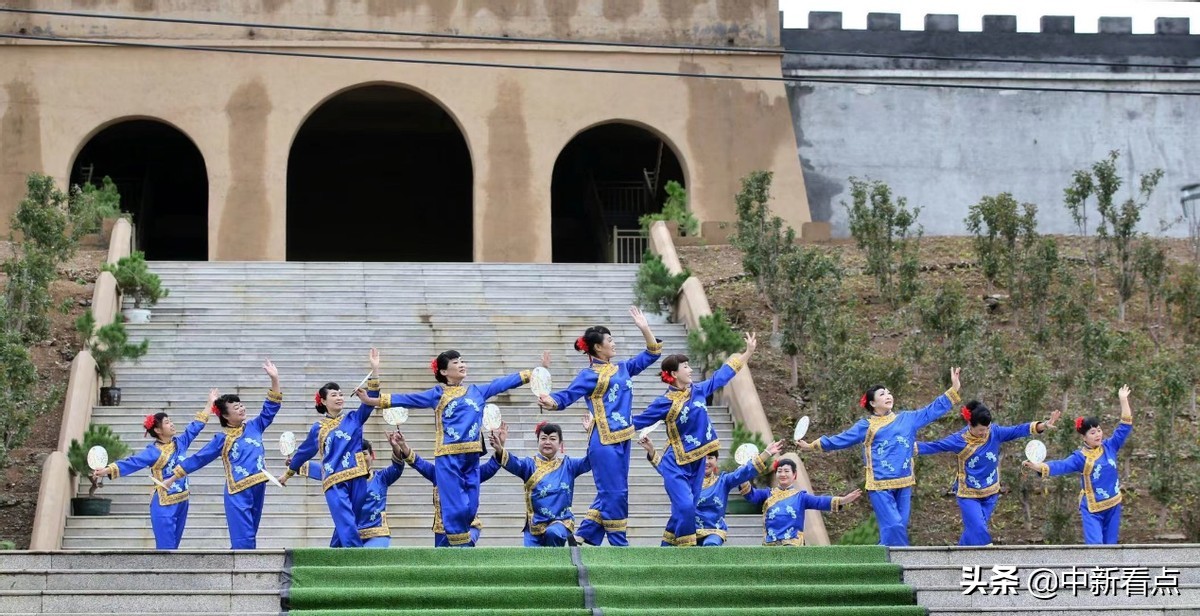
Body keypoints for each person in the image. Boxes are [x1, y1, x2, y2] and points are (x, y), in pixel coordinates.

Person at [361, 350, 548, 547]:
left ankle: (461, 542)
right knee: (456, 509)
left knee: (471, 507)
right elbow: (408, 399)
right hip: (448, 458)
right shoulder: (438, 395)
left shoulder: (477, 391)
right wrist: (371, 401)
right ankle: (461, 547)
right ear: (443, 371)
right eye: (456, 362)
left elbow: (503, 383)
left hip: (472, 457)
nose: (462, 364)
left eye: (462, 361)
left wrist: (536, 373)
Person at [537, 306, 662, 546]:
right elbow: (565, 397)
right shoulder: (588, 375)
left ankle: (587, 533)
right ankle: (618, 542)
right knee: (615, 492)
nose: (614, 344)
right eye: (610, 340)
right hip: (603, 442)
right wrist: (549, 400)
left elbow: (652, 353)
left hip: (623, 439)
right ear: (597, 347)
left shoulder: (623, 368)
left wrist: (644, 327)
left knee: (613, 489)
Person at [798, 367, 962, 547]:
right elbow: (841, 439)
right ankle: (903, 564)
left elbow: (931, 411)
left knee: (896, 527)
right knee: (894, 525)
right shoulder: (866, 425)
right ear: (873, 403)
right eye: (882, 394)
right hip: (879, 485)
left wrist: (953, 389)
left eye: (889, 393)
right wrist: (812, 445)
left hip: (905, 482)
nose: (888, 395)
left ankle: (881, 562)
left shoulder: (908, 418)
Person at [631, 333, 757, 547]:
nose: (690, 370)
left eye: (689, 366)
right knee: (687, 506)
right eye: (685, 367)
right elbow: (638, 421)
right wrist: (602, 425)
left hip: (697, 462)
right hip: (675, 464)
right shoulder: (664, 402)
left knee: (685, 509)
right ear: (674, 373)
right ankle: (687, 551)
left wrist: (747, 353)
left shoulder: (697, 391)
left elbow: (721, 376)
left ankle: (666, 550)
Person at [163, 360, 281, 549]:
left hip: (259, 485)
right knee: (244, 539)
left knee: (251, 534)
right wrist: (172, 478)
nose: (242, 409)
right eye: (236, 408)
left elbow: (271, 408)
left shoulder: (255, 426)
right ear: (226, 416)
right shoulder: (222, 438)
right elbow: (199, 458)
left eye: (241, 405)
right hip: (237, 491)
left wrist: (274, 378)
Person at [917, 401, 1060, 546]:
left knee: (973, 531)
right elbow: (935, 446)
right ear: (970, 425)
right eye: (980, 430)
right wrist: (907, 447)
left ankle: (957, 560)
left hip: (991, 492)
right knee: (979, 528)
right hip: (968, 494)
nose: (984, 433)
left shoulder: (994, 432)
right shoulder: (958, 440)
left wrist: (1043, 425)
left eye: (986, 428)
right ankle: (988, 554)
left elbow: (1017, 430)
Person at [281, 349, 382, 548]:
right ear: (323, 401)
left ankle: (333, 555)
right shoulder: (318, 429)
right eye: (334, 395)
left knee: (349, 521)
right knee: (345, 520)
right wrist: (288, 474)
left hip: (358, 476)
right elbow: (303, 453)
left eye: (341, 394)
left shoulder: (354, 417)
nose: (339, 397)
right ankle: (358, 561)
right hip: (334, 480)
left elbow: (371, 401)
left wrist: (375, 369)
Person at [92, 390, 214, 549]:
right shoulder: (153, 452)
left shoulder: (180, 443)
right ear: (157, 430)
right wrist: (106, 470)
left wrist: (210, 403)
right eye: (167, 422)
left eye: (171, 421)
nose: (172, 424)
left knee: (175, 549)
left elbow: (195, 427)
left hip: (183, 500)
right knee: (166, 549)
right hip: (164, 504)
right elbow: (132, 462)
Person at [1023, 385, 1133, 545]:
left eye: (1099, 430)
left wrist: (1123, 400)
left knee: (1111, 548)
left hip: (1113, 504)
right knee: (1095, 548)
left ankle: (1106, 571)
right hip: (1093, 509)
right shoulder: (1080, 458)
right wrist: (1037, 466)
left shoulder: (1110, 446)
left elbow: (1125, 426)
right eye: (1092, 432)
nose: (1098, 434)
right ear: (1084, 437)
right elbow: (1060, 466)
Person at [638, 435, 783, 546]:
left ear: (716, 461)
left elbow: (743, 472)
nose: (707, 462)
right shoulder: (685, 480)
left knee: (711, 547)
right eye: (703, 458)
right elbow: (666, 471)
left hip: (713, 531)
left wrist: (766, 453)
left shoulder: (724, 481)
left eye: (711, 457)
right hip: (684, 529)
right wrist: (651, 450)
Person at [392, 429, 503, 547]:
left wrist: (500, 448)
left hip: (468, 527)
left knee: (463, 556)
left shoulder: (472, 475)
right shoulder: (438, 474)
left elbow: (492, 466)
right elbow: (418, 463)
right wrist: (402, 445)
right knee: (443, 563)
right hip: (442, 531)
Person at [489, 420, 592, 547]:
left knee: (553, 533)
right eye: (543, 438)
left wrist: (592, 434)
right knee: (532, 563)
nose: (547, 442)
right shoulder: (529, 465)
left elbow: (590, 460)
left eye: (552, 439)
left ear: (560, 444)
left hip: (560, 523)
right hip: (534, 526)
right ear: (538, 442)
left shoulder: (569, 465)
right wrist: (499, 448)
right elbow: (512, 463)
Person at [744, 459, 862, 546]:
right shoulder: (767, 494)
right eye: (779, 471)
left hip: (792, 543)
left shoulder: (801, 497)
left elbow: (819, 501)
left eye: (786, 471)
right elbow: (751, 495)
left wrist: (843, 500)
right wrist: (742, 477)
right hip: (770, 543)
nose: (783, 474)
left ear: (794, 475)